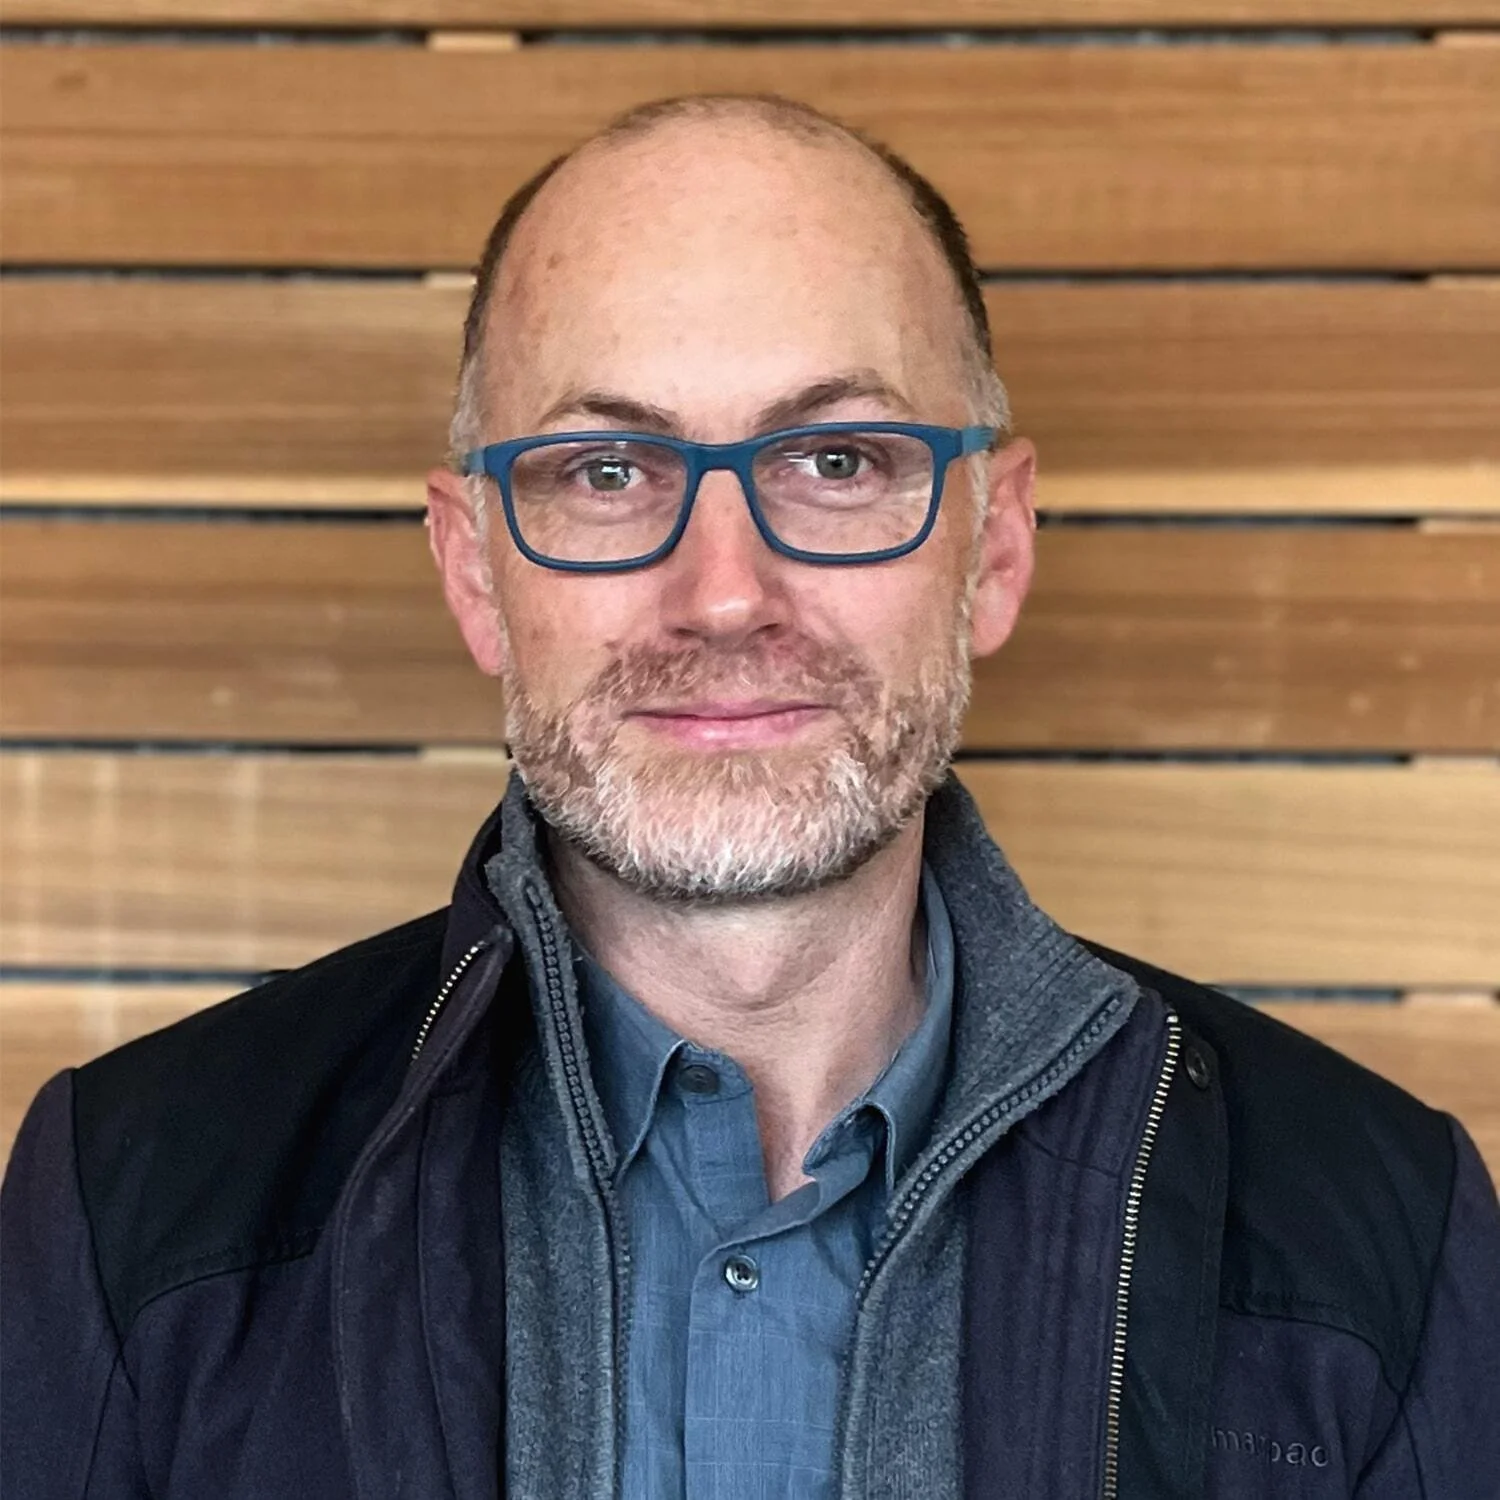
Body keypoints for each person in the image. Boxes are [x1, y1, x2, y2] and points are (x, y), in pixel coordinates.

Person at [3, 92, 1497, 1500]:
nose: (724, 595)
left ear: (995, 547)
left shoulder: (1378, 1230)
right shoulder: (130, 1207)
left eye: (836, 459)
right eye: (605, 472)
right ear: (474, 573)